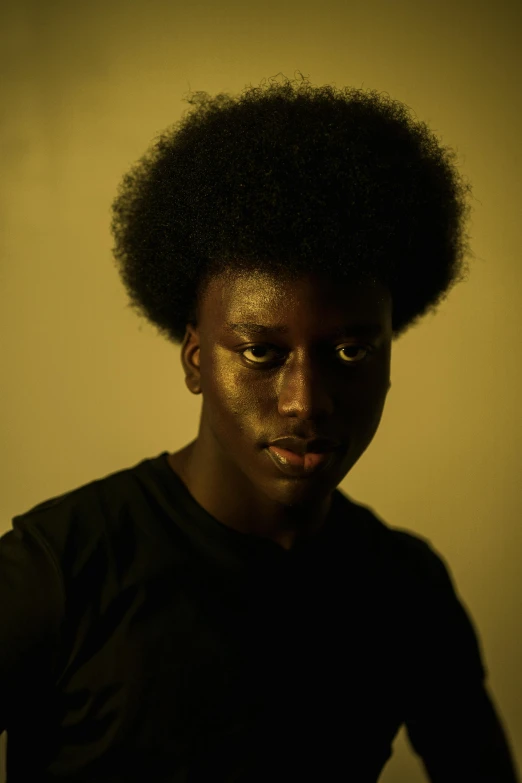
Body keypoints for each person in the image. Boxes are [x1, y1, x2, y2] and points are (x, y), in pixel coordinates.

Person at [1, 72, 519, 782]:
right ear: (194, 359)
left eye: (350, 351)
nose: (307, 401)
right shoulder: (58, 569)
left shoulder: (406, 590)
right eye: (260, 352)